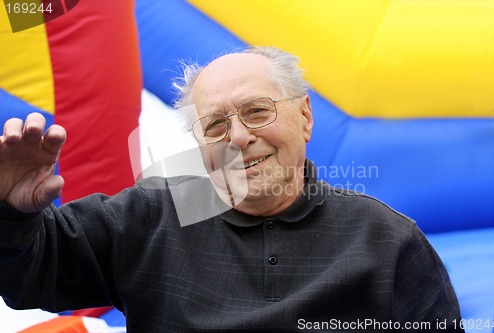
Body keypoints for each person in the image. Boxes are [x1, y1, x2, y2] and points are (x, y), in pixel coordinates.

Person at [0, 46, 464, 332]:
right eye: (216, 125)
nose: (239, 137)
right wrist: (12, 212)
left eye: (258, 111)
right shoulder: (154, 214)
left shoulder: (384, 240)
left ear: (304, 116)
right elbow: (31, 272)